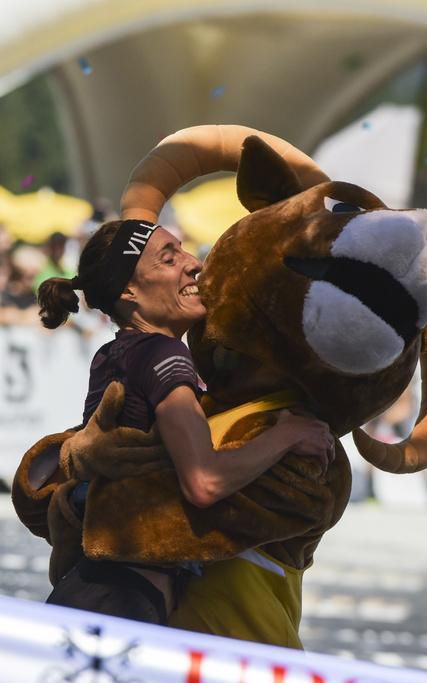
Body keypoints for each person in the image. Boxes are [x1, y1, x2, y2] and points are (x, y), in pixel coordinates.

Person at [35, 219, 334, 625]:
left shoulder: (112, 354)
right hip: (125, 600)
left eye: (183, 249)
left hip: (88, 584)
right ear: (129, 291)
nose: (193, 264)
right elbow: (204, 482)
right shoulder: (164, 355)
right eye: (168, 258)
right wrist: (287, 434)